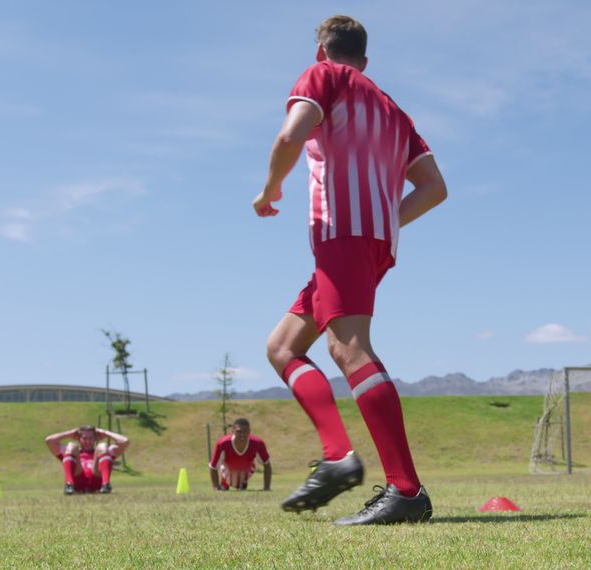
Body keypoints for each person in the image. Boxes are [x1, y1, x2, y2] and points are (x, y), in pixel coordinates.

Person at [252, 15, 447, 525]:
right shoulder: (393, 110)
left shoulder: (323, 77)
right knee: (283, 347)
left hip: (344, 235)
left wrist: (271, 189)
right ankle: (338, 456)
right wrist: (386, 220)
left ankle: (406, 490)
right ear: (365, 61)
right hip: (372, 241)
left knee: (347, 347)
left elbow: (290, 135)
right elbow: (434, 187)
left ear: (323, 52)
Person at [44, 424, 129, 495]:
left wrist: (106, 433)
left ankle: (106, 485)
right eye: (84, 438)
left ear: (95, 438)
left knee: (102, 446)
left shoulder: (102, 452)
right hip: (77, 479)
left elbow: (125, 441)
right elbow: (49, 441)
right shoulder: (71, 451)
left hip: (96, 479)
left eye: (90, 438)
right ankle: (69, 485)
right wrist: (69, 433)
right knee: (71, 446)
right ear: (79, 438)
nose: (87, 441)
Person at [209, 418, 272, 491]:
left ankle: (242, 483)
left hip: (247, 470)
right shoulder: (223, 444)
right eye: (239, 431)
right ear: (233, 431)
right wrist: (215, 487)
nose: (242, 434)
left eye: (245, 431)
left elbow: (267, 464)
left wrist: (266, 488)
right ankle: (225, 483)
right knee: (228, 474)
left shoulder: (257, 443)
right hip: (227, 471)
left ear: (249, 431)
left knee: (241, 476)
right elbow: (213, 467)